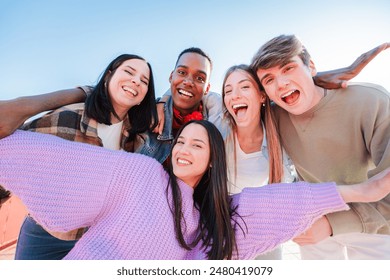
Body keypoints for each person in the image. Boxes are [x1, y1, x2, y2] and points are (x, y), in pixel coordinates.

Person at [1, 121, 390, 260]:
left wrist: (364, 190)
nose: (183, 149)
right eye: (181, 141)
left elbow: (277, 201)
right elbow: (59, 163)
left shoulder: (211, 222)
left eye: (197, 145)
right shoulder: (139, 172)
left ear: (213, 162)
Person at [251, 35, 390, 259]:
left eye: (289, 68)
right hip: (316, 222)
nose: (281, 84)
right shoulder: (274, 116)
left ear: (311, 66)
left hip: (373, 222)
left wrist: (332, 224)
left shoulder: (371, 101)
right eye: (269, 79)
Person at [13, 54, 159, 260]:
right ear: (109, 76)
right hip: (44, 236)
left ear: (143, 96)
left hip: (94, 237)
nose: (136, 80)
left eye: (144, 81)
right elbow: (13, 151)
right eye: (129, 71)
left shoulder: (136, 140)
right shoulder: (69, 116)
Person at [221, 64, 296, 259]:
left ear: (262, 96)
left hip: (265, 229)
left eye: (244, 87)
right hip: (224, 229)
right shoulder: (219, 132)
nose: (235, 95)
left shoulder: (279, 131)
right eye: (228, 90)